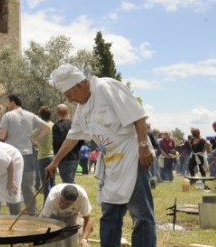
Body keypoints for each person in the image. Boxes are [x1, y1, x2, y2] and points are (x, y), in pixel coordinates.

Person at [46, 64, 156, 247]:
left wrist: (143, 145)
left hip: (131, 156)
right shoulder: (82, 109)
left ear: (79, 85)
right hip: (111, 164)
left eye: (69, 94)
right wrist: (54, 162)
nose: (69, 99)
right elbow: (72, 137)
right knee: (110, 215)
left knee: (141, 214)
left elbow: (139, 116)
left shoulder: (106, 87)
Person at [0, 94, 50, 216]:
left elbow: (1, 136)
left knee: (12, 184)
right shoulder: (30, 115)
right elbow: (46, 127)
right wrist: (35, 138)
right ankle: (31, 212)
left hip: (12, 155)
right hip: (28, 155)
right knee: (28, 187)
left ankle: (15, 213)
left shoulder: (7, 116)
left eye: (7, 102)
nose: (6, 105)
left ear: (12, 102)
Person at [53, 104, 82, 184]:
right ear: (67, 112)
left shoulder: (56, 126)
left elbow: (56, 144)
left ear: (57, 113)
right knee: (70, 179)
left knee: (68, 182)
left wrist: (55, 160)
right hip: (75, 157)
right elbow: (81, 139)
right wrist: (76, 149)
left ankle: (76, 195)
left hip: (64, 159)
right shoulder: (74, 124)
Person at [35, 106, 55, 202]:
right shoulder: (53, 125)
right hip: (53, 157)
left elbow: (30, 137)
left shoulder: (40, 127)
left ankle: (46, 206)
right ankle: (54, 205)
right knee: (52, 182)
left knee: (45, 185)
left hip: (42, 157)